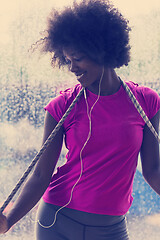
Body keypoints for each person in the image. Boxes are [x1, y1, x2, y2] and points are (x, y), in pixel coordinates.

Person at [0, 0, 160, 239]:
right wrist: (8, 220)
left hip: (112, 229)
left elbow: (153, 169)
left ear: (102, 51)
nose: (72, 68)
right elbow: (41, 175)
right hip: (56, 222)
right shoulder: (61, 107)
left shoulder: (146, 102)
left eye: (78, 58)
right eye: (68, 60)